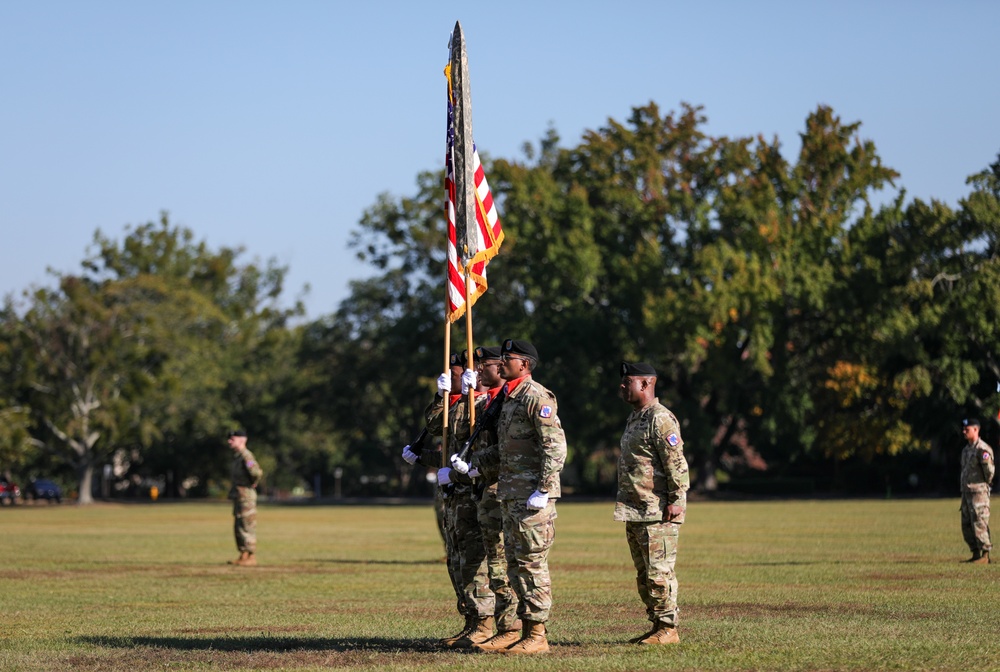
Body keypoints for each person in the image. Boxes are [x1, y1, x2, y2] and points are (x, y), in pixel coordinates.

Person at [404, 351, 494, 648]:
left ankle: (484, 622)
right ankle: (470, 620)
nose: (447, 377)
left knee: (473, 562)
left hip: (474, 493)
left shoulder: (483, 405)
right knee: (456, 562)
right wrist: (440, 395)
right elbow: (436, 429)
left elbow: (479, 438)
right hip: (454, 494)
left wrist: (474, 393)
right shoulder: (456, 405)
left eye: (452, 374)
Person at [484, 338, 566, 655]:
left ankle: (537, 635)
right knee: (516, 566)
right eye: (502, 357)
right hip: (512, 495)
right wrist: (473, 465)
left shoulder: (536, 397)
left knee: (532, 565)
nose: (502, 362)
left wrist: (544, 489)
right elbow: (506, 451)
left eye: (509, 358)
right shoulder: (509, 399)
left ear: (525, 364)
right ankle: (526, 630)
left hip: (533, 499)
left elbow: (555, 447)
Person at [450, 345, 521, 649]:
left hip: (498, 490)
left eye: (485, 366)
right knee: (481, 563)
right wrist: (450, 398)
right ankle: (480, 623)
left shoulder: (506, 401)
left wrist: (476, 467)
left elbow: (508, 448)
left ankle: (506, 628)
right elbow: (447, 430)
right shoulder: (490, 402)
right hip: (483, 491)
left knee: (499, 564)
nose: (479, 371)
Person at [615, 361, 689, 645]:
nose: (622, 386)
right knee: (645, 575)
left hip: (658, 511)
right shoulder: (636, 417)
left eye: (627, 381)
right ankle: (658, 624)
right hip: (635, 509)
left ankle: (669, 628)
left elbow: (677, 464)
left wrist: (676, 501)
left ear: (646, 384)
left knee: (659, 573)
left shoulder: (661, 418)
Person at [959, 417, 994, 564]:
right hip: (966, 492)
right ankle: (975, 553)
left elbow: (989, 472)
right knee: (966, 524)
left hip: (979, 493)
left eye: (967, 429)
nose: (964, 432)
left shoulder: (983, 449)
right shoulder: (966, 450)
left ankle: (985, 556)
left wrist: (984, 486)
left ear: (976, 430)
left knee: (979, 522)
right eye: (964, 429)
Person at [227, 429, 263, 567]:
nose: (229, 441)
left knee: (247, 525)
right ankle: (243, 555)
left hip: (246, 497)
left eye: (232, 439)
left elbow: (255, 472)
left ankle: (250, 555)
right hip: (239, 495)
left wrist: (253, 482)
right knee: (239, 525)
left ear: (242, 440)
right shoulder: (238, 456)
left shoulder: (246, 456)